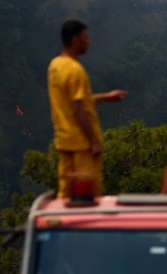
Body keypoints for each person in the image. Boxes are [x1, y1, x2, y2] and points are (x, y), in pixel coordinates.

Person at [47, 20, 127, 198]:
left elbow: (73, 103)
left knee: (66, 192)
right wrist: (94, 141)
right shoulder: (76, 71)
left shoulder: (54, 66)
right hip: (82, 144)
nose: (88, 42)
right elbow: (78, 110)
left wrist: (106, 97)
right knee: (89, 194)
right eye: (85, 38)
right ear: (75, 40)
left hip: (64, 142)